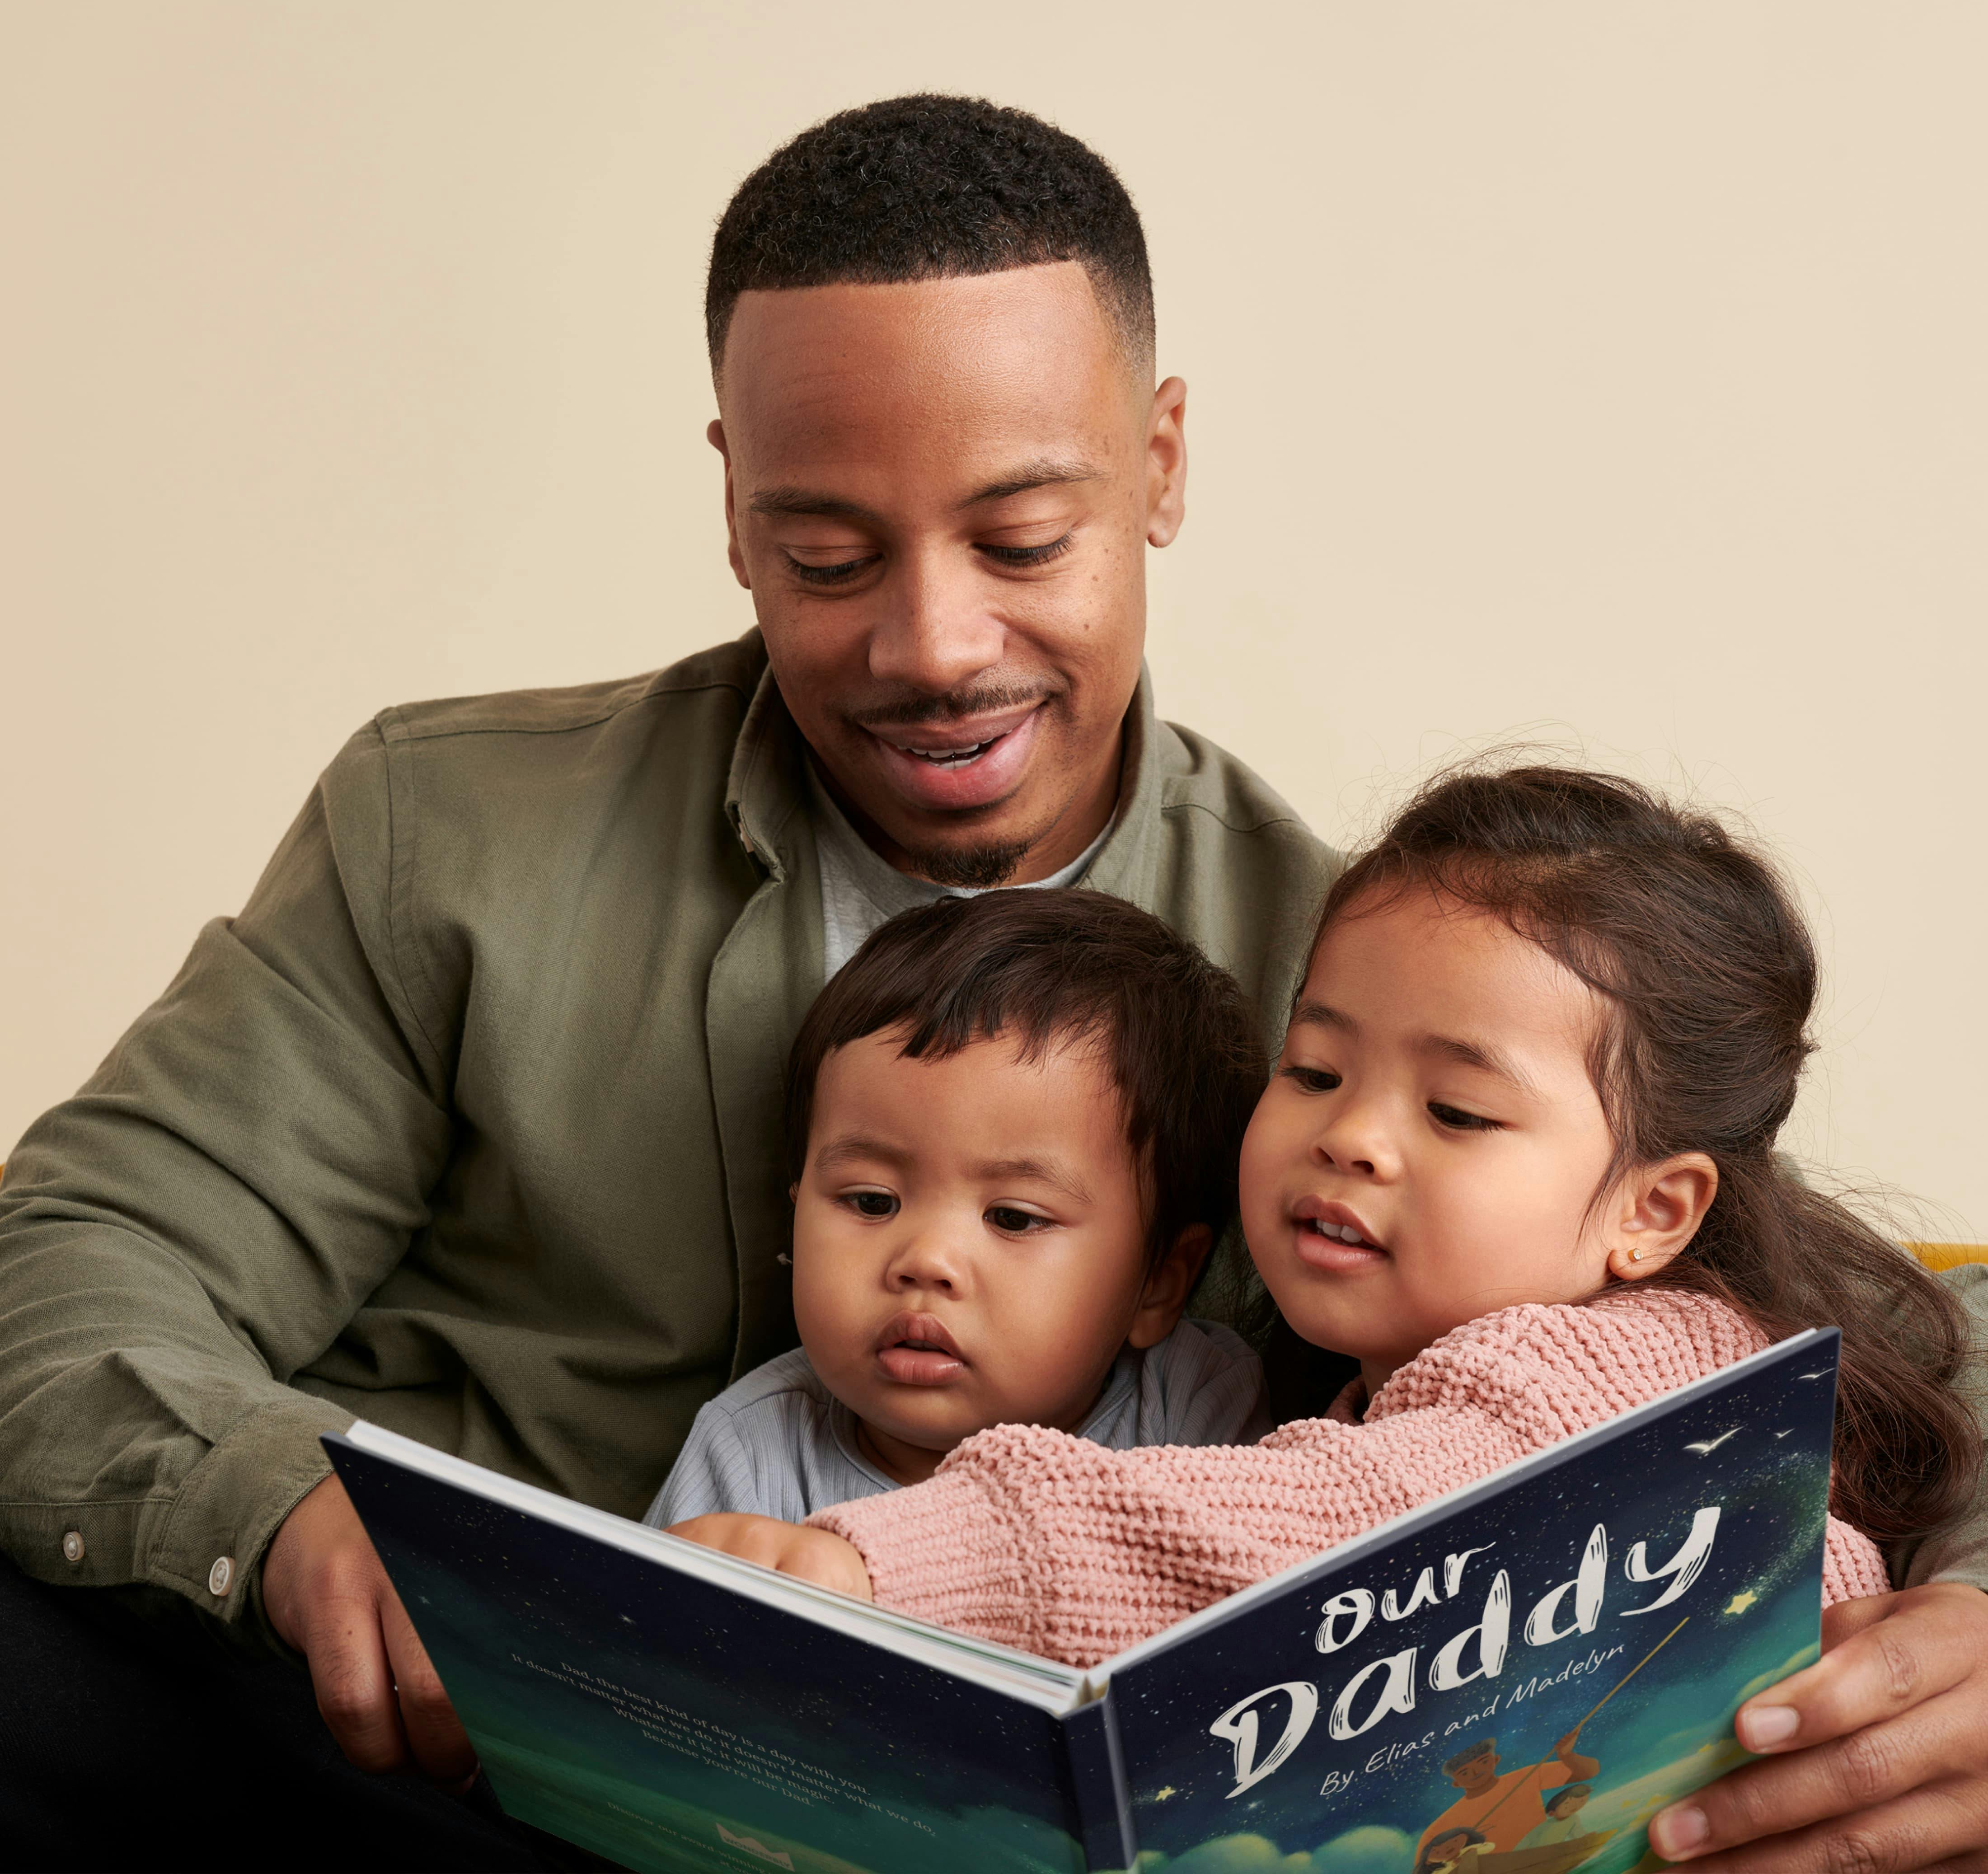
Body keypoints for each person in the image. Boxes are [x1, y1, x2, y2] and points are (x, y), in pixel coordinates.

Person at [0, 94, 1984, 1872]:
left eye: (1023, 535)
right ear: (727, 501)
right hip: (435, 1762)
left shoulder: (1347, 982)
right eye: (827, 549)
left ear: (1160, 462)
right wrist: (281, 1521)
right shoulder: (443, 828)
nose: (935, 645)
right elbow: (75, 1257)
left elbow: (1831, 1334)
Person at [681, 765, 1988, 1870]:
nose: (1351, 1136)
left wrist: (896, 1568)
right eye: (1315, 1069)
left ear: (1651, 1212)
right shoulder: (1351, 1379)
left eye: (1458, 1112)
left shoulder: (1621, 1368)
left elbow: (1337, 1534)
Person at [646, 889, 1271, 1526]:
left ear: (1159, 1283)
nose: (926, 1261)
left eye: (1013, 1217)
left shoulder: (1195, 1410)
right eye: (872, 1201)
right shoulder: (750, 1453)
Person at [1419, 1734, 1599, 1859]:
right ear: (1456, 1783)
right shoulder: (1441, 1827)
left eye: (1483, 1762)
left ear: (1496, 1760)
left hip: (1545, 1859)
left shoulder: (1525, 1778)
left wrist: (1567, 1756)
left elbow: (1591, 1771)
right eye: (1465, 1772)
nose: (1476, 1772)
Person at [1516, 1784, 1596, 1851]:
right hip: (1535, 1852)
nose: (1574, 1806)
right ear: (1552, 1813)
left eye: (1581, 1802)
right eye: (1566, 1804)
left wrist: (1586, 1837)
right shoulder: (1546, 1825)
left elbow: (1577, 1833)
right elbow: (1528, 1839)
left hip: (1554, 1852)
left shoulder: (1573, 1819)